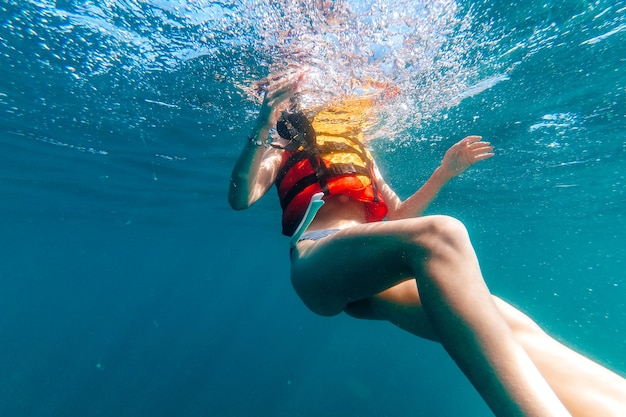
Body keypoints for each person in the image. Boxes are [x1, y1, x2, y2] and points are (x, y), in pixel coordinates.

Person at [228, 74, 626, 417]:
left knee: (506, 323)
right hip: (317, 259)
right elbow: (240, 197)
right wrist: (265, 121)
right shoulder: (280, 151)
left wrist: (443, 174)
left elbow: (398, 220)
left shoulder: (359, 151)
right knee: (441, 235)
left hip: (366, 263)